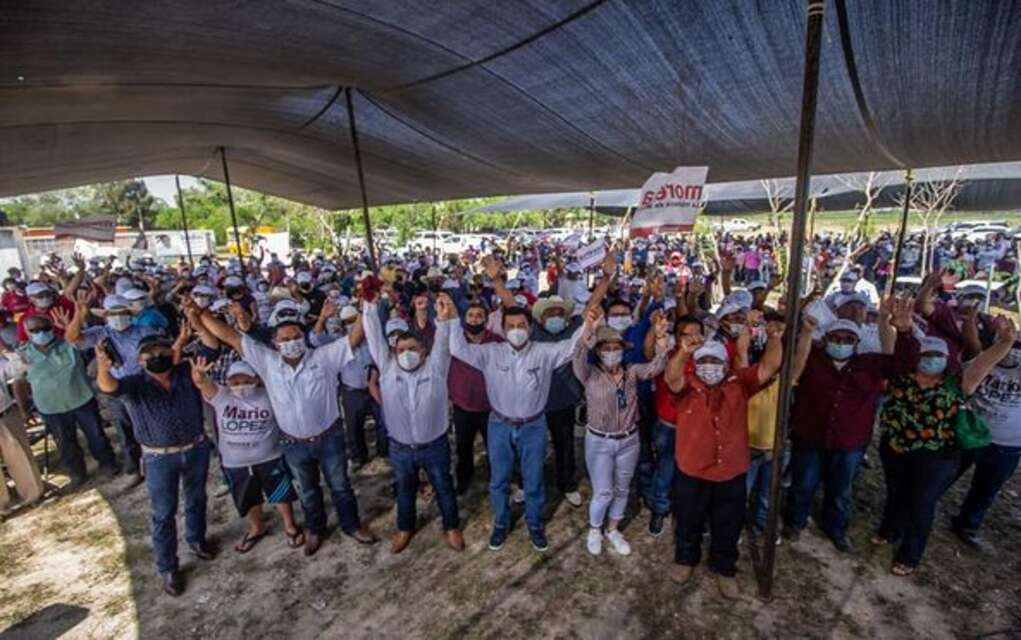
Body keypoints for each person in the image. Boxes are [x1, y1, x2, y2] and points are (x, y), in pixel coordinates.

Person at [194, 299, 378, 556]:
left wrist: (366, 307)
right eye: (285, 338)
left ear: (304, 337)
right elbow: (231, 337)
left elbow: (354, 339)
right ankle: (315, 530)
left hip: (329, 438)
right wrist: (201, 313)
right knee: (308, 491)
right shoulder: (266, 361)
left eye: (296, 336)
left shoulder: (324, 357)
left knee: (340, 486)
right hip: (294, 444)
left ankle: (352, 526)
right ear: (275, 342)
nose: (292, 342)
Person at [449, 303, 597, 553]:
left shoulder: (544, 352)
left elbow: (572, 346)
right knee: (499, 480)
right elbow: (457, 349)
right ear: (503, 328)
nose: (516, 330)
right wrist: (452, 319)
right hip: (499, 424)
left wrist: (588, 326)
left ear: (530, 328)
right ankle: (501, 523)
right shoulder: (490, 352)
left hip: (533, 426)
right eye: (510, 326)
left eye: (521, 325)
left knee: (533, 479)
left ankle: (535, 524)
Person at [875, 322, 1016, 576]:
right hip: (896, 448)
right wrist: (884, 319)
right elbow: (887, 343)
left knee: (922, 502)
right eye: (926, 355)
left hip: (937, 456)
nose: (931, 360)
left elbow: (983, 363)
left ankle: (910, 554)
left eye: (937, 356)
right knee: (897, 493)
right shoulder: (901, 376)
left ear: (946, 359)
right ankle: (890, 530)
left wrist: (1005, 342)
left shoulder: (957, 382)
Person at [783, 297, 917, 552]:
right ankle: (795, 522)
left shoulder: (871, 364)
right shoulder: (811, 358)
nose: (841, 343)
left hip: (850, 441)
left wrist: (904, 331)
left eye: (848, 339)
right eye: (836, 338)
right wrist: (803, 326)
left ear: (857, 343)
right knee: (803, 484)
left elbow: (904, 365)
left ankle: (836, 529)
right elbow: (790, 351)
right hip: (809, 435)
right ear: (826, 339)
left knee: (841, 489)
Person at [663, 320, 783, 599]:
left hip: (731, 470)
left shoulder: (739, 383)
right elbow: (671, 377)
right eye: (703, 360)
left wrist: (775, 338)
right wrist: (683, 353)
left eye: (715, 361)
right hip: (693, 469)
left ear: (726, 364)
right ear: (695, 364)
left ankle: (725, 568)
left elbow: (769, 367)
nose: (709, 366)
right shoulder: (687, 386)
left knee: (728, 523)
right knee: (688, 519)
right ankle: (685, 559)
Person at [97, 333, 215, 597]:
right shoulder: (134, 384)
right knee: (163, 513)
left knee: (197, 498)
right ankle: (168, 567)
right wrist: (103, 368)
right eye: (150, 354)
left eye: (162, 351)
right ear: (140, 360)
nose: (157, 357)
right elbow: (109, 387)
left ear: (172, 353)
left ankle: (197, 539)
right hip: (159, 457)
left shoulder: (186, 373)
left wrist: (193, 328)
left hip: (195, 448)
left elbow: (210, 348)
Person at [362, 291, 464, 553]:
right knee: (405, 489)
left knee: (444, 486)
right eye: (401, 350)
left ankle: (452, 527)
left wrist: (444, 318)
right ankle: (404, 528)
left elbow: (443, 342)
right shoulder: (387, 369)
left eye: (412, 349)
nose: (406, 354)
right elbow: (373, 337)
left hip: (435, 445)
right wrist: (370, 306)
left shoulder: (436, 367)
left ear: (423, 351)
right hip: (400, 447)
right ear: (394, 352)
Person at [573, 317, 670, 556]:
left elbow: (656, 367)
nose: (612, 352)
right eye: (606, 348)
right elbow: (578, 356)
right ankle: (595, 529)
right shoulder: (589, 374)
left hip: (628, 440)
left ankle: (613, 530)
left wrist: (660, 339)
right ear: (598, 351)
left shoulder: (632, 372)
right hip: (599, 441)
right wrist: (588, 332)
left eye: (616, 348)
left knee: (622, 489)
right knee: (603, 491)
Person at [190, 358, 304, 554]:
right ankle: (256, 528)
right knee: (248, 497)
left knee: (281, 494)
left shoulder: (269, 395)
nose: (240, 385)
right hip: (236, 463)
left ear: (256, 379)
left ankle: (290, 525)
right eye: (235, 381)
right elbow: (204, 385)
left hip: (270, 459)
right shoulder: (222, 397)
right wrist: (200, 377)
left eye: (246, 380)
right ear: (227, 382)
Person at [65, 291, 157, 485]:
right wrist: (78, 315)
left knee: (151, 424)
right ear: (106, 315)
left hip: (144, 384)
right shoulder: (100, 333)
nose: (118, 317)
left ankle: (156, 463)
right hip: (116, 388)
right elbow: (73, 338)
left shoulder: (144, 331)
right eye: (113, 313)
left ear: (129, 313)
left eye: (121, 312)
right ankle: (134, 468)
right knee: (125, 430)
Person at [21, 311, 117, 487]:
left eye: (45, 328)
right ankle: (77, 473)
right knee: (65, 443)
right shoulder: (22, 355)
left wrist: (72, 322)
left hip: (81, 399)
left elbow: (79, 339)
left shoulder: (69, 343)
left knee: (96, 436)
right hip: (51, 407)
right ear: (26, 332)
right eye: (34, 330)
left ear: (52, 327)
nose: (41, 333)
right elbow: (18, 382)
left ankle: (108, 464)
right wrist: (23, 408)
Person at [951, 336, 1021, 549]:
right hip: (969, 433)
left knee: (987, 488)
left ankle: (967, 525)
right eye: (1010, 345)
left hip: (1008, 442)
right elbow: (967, 379)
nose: (1013, 352)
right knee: (944, 474)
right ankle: (918, 508)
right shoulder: (982, 360)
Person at [645, 316, 704, 536]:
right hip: (669, 427)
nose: (693, 339)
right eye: (687, 335)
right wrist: (655, 331)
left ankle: (688, 511)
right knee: (665, 471)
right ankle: (660, 509)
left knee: (694, 474)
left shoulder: (707, 360)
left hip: (696, 429)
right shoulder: (666, 356)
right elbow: (649, 352)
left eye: (697, 333)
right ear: (677, 338)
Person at [448, 301, 502, 495]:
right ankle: (464, 478)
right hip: (462, 406)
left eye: (479, 316)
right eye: (470, 315)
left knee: (494, 447)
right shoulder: (455, 341)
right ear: (464, 319)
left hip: (490, 407)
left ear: (486, 320)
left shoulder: (496, 342)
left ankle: (497, 479)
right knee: (463, 447)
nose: (474, 319)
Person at [0, 350, 44, 511]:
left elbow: (21, 368)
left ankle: (33, 496)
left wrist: (6, 350)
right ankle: (2, 508)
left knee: (21, 458)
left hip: (6, 414)